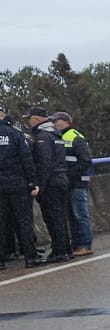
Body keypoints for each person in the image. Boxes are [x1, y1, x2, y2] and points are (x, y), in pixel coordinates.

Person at [26, 108, 72, 263]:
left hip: (51, 183)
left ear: (37, 119)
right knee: (61, 217)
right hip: (61, 179)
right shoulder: (56, 133)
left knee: (53, 218)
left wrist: (40, 187)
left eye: (30, 119)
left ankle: (59, 252)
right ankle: (66, 249)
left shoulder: (43, 136)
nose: (28, 122)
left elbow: (44, 163)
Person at [0, 102, 42, 269]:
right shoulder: (15, 134)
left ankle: (1, 260)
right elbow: (27, 160)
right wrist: (33, 182)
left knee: (1, 223)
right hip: (18, 185)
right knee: (24, 221)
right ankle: (30, 257)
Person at [53, 111, 94, 255]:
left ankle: (85, 245)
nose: (55, 124)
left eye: (57, 121)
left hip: (77, 183)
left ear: (66, 122)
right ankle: (76, 244)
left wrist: (68, 175)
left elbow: (86, 161)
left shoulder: (76, 137)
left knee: (80, 214)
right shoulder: (60, 137)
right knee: (71, 215)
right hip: (68, 183)